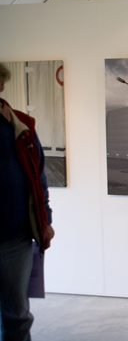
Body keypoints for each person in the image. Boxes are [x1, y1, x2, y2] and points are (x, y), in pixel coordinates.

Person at [0, 63, 55, 340]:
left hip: (15, 237)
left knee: (17, 314)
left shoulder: (20, 126)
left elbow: (38, 177)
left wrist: (45, 219)